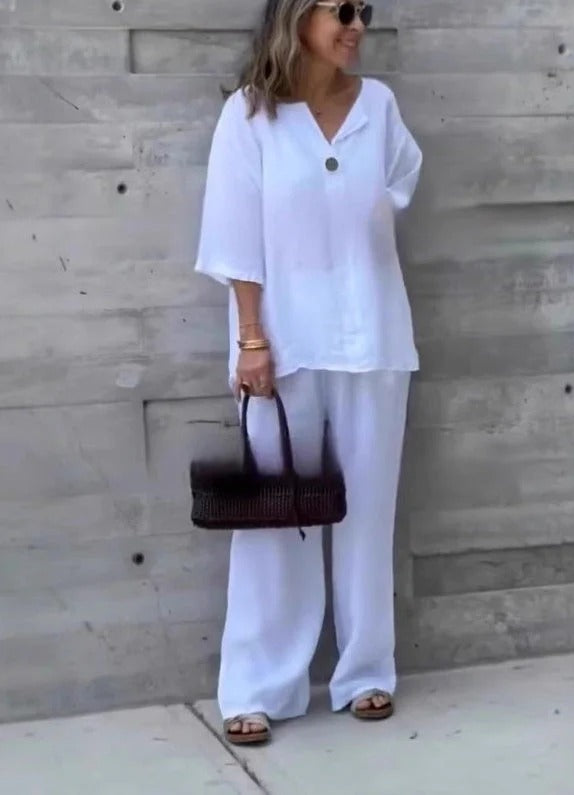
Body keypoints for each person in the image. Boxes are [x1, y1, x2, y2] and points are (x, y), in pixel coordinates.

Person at [194, 0, 422, 745]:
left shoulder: (378, 106)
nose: (356, 24)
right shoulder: (249, 115)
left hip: (373, 335)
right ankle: (258, 687)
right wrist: (251, 339)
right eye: (340, 9)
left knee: (369, 517)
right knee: (274, 520)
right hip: (283, 344)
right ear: (297, 15)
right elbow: (233, 233)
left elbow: (396, 186)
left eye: (364, 9)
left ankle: (365, 673)